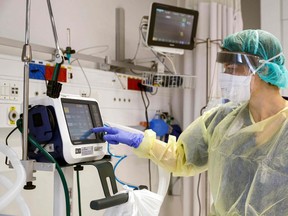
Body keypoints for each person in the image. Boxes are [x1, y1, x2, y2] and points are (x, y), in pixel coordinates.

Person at [92, 29, 288, 216]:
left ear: (263, 68)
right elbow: (181, 158)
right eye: (225, 69)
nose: (226, 76)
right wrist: (140, 141)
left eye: (233, 68)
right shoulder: (222, 119)